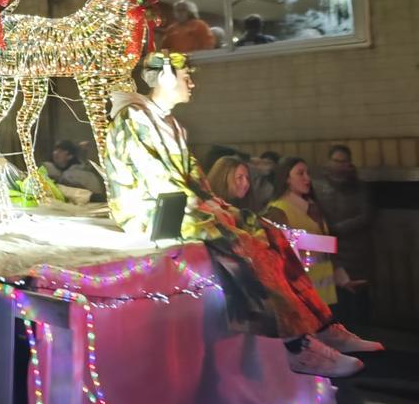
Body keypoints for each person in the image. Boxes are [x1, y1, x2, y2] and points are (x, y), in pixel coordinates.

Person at [104, 51, 381, 378]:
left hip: (182, 203)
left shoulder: (171, 123)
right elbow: (156, 178)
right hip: (155, 212)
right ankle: (297, 345)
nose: (192, 83)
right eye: (185, 76)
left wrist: (213, 201)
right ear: (164, 77)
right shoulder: (134, 117)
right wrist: (206, 206)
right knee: (243, 245)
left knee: (270, 233)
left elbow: (192, 176)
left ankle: (321, 323)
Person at [263, 157, 339, 306]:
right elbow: (281, 247)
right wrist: (326, 244)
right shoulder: (278, 210)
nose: (307, 178)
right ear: (287, 178)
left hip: (325, 289)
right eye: (300, 173)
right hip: (303, 292)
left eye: (307, 173)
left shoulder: (313, 206)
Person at [311, 144, 374, 291]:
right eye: (336, 161)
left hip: (357, 251)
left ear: (349, 163)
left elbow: (366, 216)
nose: (339, 166)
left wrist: (337, 229)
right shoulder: (317, 187)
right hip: (328, 249)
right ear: (329, 162)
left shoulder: (361, 188)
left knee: (358, 294)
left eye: (343, 162)